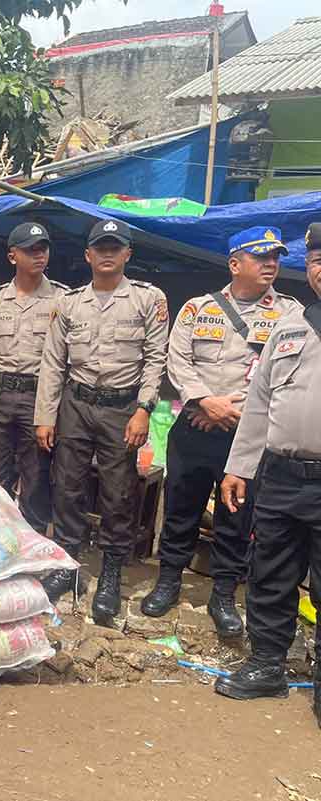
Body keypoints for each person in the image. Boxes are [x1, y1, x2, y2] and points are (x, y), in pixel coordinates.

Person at [141, 226, 301, 637]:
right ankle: (168, 580)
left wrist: (232, 411)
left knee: (236, 515)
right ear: (234, 263)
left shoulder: (289, 314)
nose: (271, 264)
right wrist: (203, 401)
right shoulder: (197, 309)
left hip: (245, 435)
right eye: (261, 256)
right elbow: (177, 361)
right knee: (181, 508)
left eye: (276, 258)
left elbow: (283, 374)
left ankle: (224, 594)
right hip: (194, 425)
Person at [35, 218, 169, 621]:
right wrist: (46, 416)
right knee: (68, 488)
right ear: (88, 255)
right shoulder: (70, 303)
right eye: (101, 247)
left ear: (127, 253)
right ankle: (69, 568)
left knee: (118, 494)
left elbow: (155, 358)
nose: (108, 254)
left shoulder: (148, 299)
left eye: (116, 247)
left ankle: (110, 574)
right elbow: (53, 363)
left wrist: (144, 408)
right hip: (75, 404)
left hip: (121, 408)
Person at [215, 222, 321, 725]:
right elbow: (258, 405)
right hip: (281, 476)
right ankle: (266, 665)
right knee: (271, 574)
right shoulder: (289, 327)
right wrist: (240, 467)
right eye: (317, 261)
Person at [0, 222, 67, 533]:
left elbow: (64, 360)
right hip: (0, 396)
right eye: (30, 250)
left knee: (36, 477)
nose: (39, 255)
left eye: (42, 249)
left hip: (38, 398)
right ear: (12, 256)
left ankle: (30, 543)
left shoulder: (62, 300)